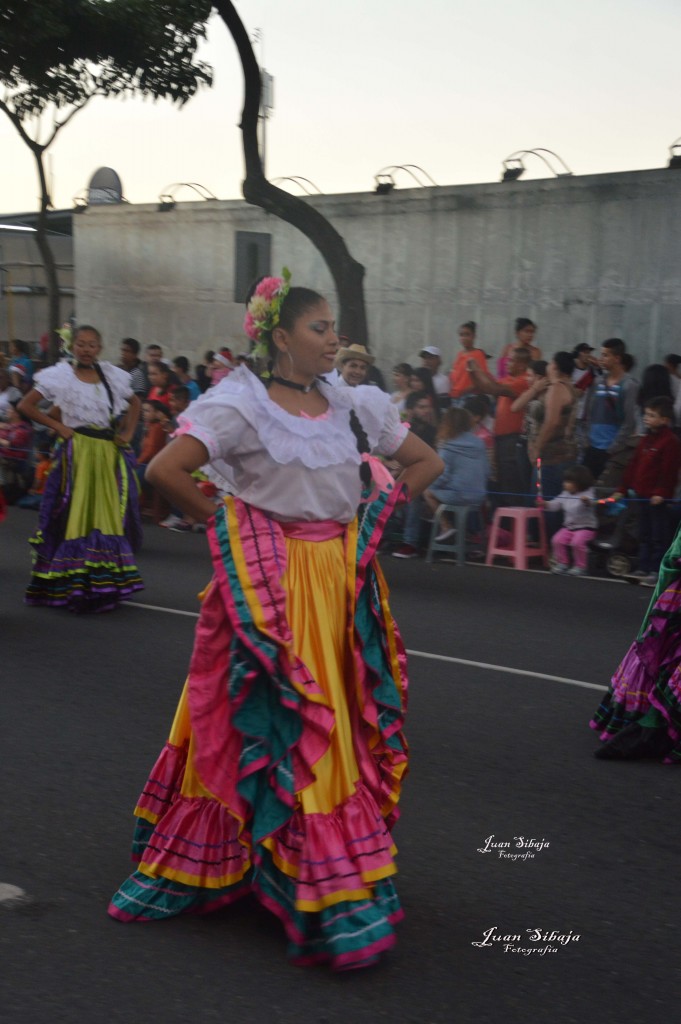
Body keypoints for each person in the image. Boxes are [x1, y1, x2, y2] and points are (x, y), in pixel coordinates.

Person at [108, 273, 443, 968]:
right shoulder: (240, 403)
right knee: (259, 716)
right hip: (269, 584)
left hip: (339, 582)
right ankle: (292, 873)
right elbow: (166, 470)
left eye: (334, 330)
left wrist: (374, 515)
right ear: (280, 336)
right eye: (320, 329)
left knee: (329, 717)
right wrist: (227, 532)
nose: (333, 341)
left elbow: (423, 460)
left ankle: (305, 862)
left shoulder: (352, 403)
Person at [18, 325, 143, 612]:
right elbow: (27, 405)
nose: (86, 349)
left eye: (92, 345)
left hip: (106, 452)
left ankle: (100, 582)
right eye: (81, 344)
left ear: (99, 348)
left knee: (105, 516)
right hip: (78, 451)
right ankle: (73, 582)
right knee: (76, 513)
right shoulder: (61, 377)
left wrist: (127, 433)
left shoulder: (110, 376)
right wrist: (58, 426)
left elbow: (135, 403)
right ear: (73, 347)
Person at [609, 396, 681, 586]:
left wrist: (662, 493)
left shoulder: (670, 442)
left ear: (665, 420)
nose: (646, 418)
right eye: (646, 414)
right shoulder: (645, 440)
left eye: (652, 415)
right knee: (644, 533)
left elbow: (669, 471)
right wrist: (622, 489)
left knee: (659, 536)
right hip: (641, 497)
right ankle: (643, 567)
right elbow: (633, 467)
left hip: (657, 500)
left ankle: (657, 571)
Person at [467, 347, 532, 505]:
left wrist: (478, 368)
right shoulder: (508, 379)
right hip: (502, 439)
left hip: (512, 439)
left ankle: (515, 526)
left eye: (511, 360)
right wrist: (471, 372)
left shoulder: (524, 381)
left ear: (522, 365)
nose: (507, 363)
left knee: (511, 483)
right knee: (502, 481)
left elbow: (493, 388)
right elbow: (485, 388)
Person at [423, 407, 488, 542]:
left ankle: (446, 526)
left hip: (459, 495)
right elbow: (487, 470)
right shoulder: (480, 443)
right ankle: (468, 535)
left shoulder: (448, 445)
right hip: (479, 495)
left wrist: (429, 483)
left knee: (427, 492)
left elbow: (442, 475)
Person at [582, 338, 639, 483]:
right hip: (592, 446)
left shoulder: (628, 385)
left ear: (617, 358)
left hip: (612, 449)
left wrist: (615, 447)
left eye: (605, 355)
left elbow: (629, 421)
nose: (601, 359)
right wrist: (587, 439)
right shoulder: (597, 382)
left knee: (606, 492)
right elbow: (589, 412)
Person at [537, 464, 597, 576]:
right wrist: (545, 504)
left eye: (569, 482)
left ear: (579, 483)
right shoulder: (565, 494)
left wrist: (587, 502)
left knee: (577, 542)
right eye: (565, 481)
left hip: (586, 528)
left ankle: (581, 566)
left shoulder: (588, 492)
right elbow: (556, 504)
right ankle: (562, 563)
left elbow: (592, 501)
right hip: (569, 527)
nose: (564, 484)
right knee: (556, 540)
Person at [449, 322, 488, 403]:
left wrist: (464, 392)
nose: (464, 338)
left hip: (468, 397)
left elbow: (481, 378)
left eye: (467, 334)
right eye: (461, 335)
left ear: (474, 336)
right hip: (455, 397)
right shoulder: (460, 354)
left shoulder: (478, 354)